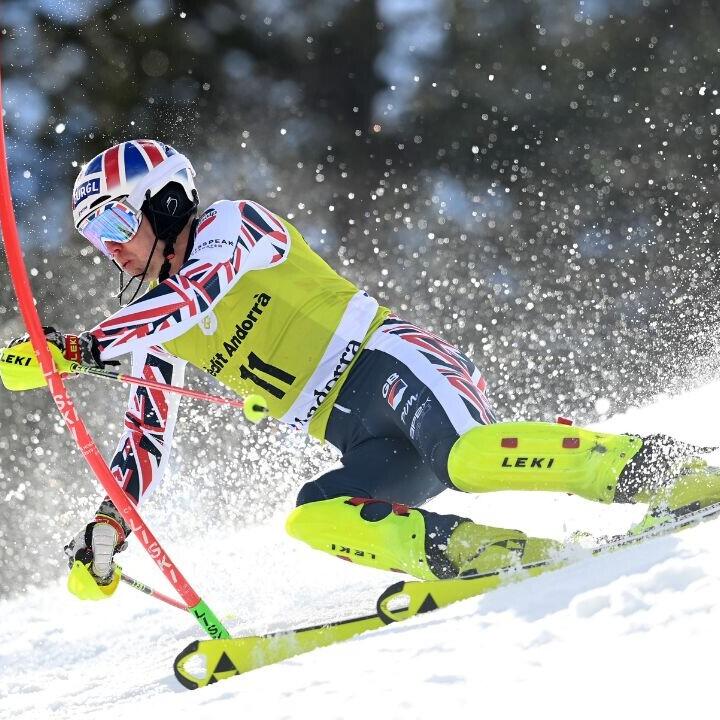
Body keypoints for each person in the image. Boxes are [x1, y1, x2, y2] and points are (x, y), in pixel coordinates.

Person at [10, 139, 720, 592]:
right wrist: (110, 524)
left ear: (165, 203)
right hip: (355, 434)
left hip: (392, 365)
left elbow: (198, 293)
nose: (109, 251)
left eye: (111, 224)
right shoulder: (151, 331)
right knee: (313, 517)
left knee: (467, 459)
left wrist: (74, 349)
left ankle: (661, 467)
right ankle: (480, 554)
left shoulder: (235, 226)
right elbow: (144, 444)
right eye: (92, 238)